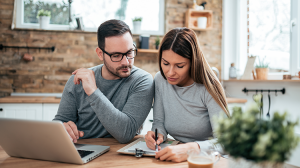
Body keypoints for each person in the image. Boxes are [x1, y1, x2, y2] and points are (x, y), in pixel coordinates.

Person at [53, 19, 154, 144]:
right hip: (81, 151)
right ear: (100, 54)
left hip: (120, 155)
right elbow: (59, 122)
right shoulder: (78, 80)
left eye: (129, 52)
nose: (126, 62)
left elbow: (125, 133)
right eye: (116, 55)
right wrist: (62, 128)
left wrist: (93, 91)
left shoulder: (142, 81)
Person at [144, 27, 229, 162]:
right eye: (165, 63)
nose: (170, 72)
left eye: (179, 65)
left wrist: (194, 148)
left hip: (209, 159)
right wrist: (157, 135)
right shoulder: (160, 80)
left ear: (192, 63)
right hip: (177, 157)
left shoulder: (208, 86)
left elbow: (227, 141)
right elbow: (159, 122)